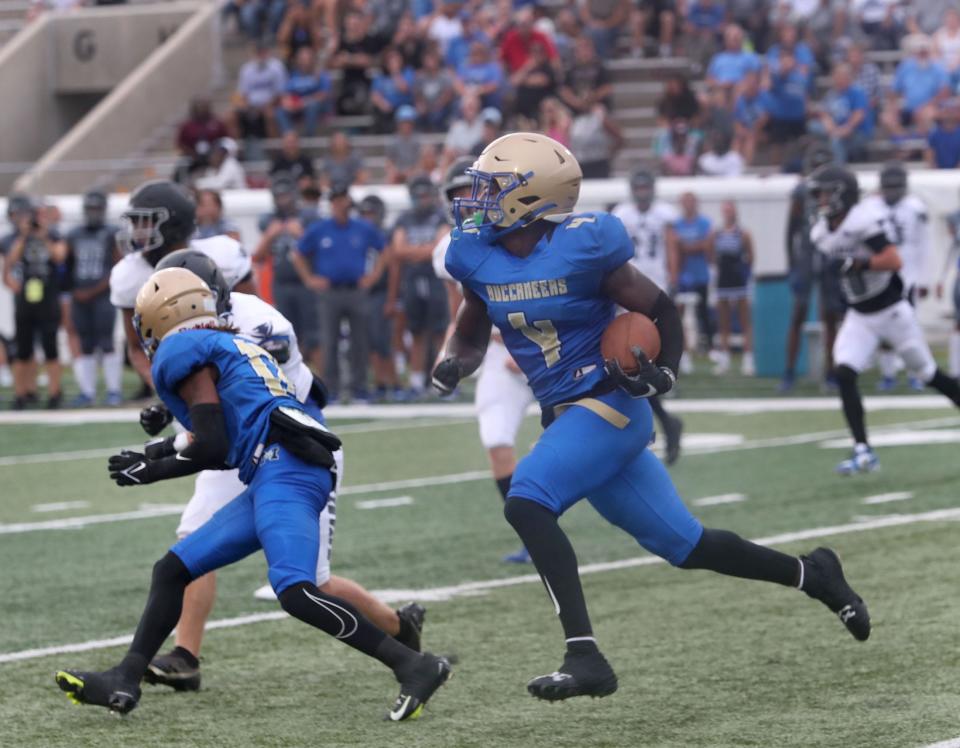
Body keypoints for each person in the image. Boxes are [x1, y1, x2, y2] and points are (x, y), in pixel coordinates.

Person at [432, 131, 870, 701]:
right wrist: (452, 365)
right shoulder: (475, 252)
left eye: (495, 186)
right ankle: (816, 575)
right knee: (686, 546)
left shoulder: (585, 245)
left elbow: (659, 308)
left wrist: (666, 368)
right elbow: (470, 332)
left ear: (532, 195)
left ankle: (583, 655)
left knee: (527, 500)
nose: (480, 196)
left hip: (609, 402)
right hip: (566, 414)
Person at [55, 267, 451, 721]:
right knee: (173, 569)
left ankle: (414, 666)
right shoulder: (232, 342)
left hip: (286, 469)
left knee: (296, 590)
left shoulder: (182, 349)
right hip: (273, 468)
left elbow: (213, 445)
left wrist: (153, 470)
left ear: (156, 320)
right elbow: (225, 437)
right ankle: (125, 677)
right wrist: (158, 454)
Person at [134, 248, 426, 689]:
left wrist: (159, 459)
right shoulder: (206, 337)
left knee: (312, 584)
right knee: (188, 545)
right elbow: (212, 400)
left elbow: (237, 394)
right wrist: (167, 420)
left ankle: (399, 629)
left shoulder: (257, 321)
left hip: (289, 446)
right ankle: (184, 654)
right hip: (238, 445)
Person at [808, 163, 960, 474]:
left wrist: (857, 264)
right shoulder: (822, 231)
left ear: (842, 195)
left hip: (891, 311)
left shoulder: (864, 219)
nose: (820, 199)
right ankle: (863, 449)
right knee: (845, 373)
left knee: (928, 373)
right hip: (860, 314)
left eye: (825, 193)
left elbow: (893, 259)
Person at [432, 157, 535, 562]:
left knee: (584, 440)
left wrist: (522, 345)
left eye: (471, 193)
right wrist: (446, 357)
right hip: (493, 348)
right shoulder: (446, 248)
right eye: (457, 196)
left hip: (544, 345)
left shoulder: (524, 231)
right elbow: (458, 311)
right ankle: (534, 533)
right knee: (496, 438)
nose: (466, 204)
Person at [109, 180, 255, 401]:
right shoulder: (128, 273)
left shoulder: (224, 255)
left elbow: (255, 319)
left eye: (145, 222)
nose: (137, 230)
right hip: (184, 372)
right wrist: (166, 389)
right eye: (135, 222)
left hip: (238, 365)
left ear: (173, 224)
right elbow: (137, 349)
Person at [610, 169, 684, 463]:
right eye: (637, 187)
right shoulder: (622, 213)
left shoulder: (664, 213)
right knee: (633, 362)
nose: (641, 193)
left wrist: (674, 278)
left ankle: (660, 424)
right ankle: (665, 423)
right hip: (630, 287)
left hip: (655, 289)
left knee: (639, 361)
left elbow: (671, 245)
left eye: (645, 187)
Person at [293, 184, 384, 402]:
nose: (339, 204)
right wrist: (309, 279)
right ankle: (331, 388)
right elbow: (298, 253)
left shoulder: (362, 228)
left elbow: (384, 249)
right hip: (330, 292)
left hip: (356, 290)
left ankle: (359, 386)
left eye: (342, 199)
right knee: (329, 340)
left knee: (360, 339)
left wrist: (373, 277)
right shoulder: (319, 229)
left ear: (348, 202)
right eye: (335, 200)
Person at [862, 163, 931, 391]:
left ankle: (915, 372)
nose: (891, 192)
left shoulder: (915, 208)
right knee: (882, 326)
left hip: (907, 276)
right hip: (880, 278)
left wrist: (924, 278)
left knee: (910, 327)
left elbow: (923, 244)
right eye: (888, 187)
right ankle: (889, 373)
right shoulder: (870, 206)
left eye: (895, 187)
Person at [388, 176, 449, 397]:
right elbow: (398, 249)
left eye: (425, 195)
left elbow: (441, 245)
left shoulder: (440, 217)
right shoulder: (404, 218)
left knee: (440, 332)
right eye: (419, 195)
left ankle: (444, 381)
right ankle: (416, 382)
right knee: (417, 333)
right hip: (412, 281)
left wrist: (414, 251)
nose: (422, 200)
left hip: (436, 280)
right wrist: (425, 250)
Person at [2, 200, 66, 409]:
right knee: (23, 348)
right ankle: (21, 393)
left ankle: (54, 393)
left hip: (47, 296)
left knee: (50, 346)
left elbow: (59, 257)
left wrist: (43, 235)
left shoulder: (52, 235)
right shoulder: (13, 238)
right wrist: (24, 236)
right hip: (25, 297)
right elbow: (10, 262)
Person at [254, 179, 322, 373]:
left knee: (314, 335)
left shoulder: (308, 216)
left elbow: (321, 249)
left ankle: (323, 381)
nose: (283, 200)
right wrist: (270, 235)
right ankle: (293, 379)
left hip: (306, 283)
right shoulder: (269, 220)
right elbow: (258, 256)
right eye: (279, 196)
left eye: (286, 195)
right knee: (286, 334)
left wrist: (301, 235)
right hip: (282, 283)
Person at [65, 190, 122, 407]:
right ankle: (87, 392)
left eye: (97, 208)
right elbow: (67, 265)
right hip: (80, 295)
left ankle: (114, 391)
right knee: (86, 343)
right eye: (90, 208)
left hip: (102, 294)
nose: (93, 213)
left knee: (106, 342)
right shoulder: (74, 234)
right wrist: (72, 290)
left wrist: (96, 289)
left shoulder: (111, 233)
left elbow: (119, 265)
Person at [356, 195, 401, 400]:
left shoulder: (385, 235)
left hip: (380, 293)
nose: (367, 218)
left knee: (384, 340)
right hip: (363, 294)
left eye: (370, 213)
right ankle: (380, 382)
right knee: (370, 341)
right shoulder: (357, 234)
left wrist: (392, 298)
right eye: (364, 214)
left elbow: (393, 267)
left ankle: (393, 382)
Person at [710, 200, 754, 376]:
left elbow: (751, 256)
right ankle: (725, 357)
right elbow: (711, 255)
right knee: (724, 321)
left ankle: (748, 359)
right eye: (725, 211)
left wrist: (745, 274)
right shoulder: (717, 234)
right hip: (723, 279)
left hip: (739, 279)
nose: (728, 214)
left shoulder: (743, 234)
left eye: (731, 211)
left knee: (744, 320)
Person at [672, 191, 713, 363]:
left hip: (700, 275)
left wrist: (685, 246)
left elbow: (707, 244)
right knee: (678, 312)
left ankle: (708, 345)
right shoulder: (676, 223)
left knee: (703, 311)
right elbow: (674, 245)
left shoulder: (704, 222)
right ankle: (682, 348)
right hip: (682, 275)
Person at [813, 63, 871, 164]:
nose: (837, 79)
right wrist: (828, 123)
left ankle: (838, 169)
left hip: (856, 132)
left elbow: (859, 115)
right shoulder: (831, 94)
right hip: (835, 128)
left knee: (836, 140)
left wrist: (844, 129)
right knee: (813, 126)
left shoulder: (857, 92)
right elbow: (823, 112)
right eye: (836, 76)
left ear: (848, 77)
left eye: (841, 76)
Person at [276, 47, 332, 137]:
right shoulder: (293, 76)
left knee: (312, 106)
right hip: (297, 106)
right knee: (280, 111)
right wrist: (290, 103)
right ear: (298, 61)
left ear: (313, 60)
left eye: (307, 59)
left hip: (317, 106)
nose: (304, 62)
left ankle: (309, 137)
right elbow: (286, 95)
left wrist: (304, 102)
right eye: (302, 59)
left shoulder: (321, 74)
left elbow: (323, 95)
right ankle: (290, 137)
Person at [558, 36, 612, 117]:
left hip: (595, 104)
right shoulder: (570, 68)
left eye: (587, 47)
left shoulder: (599, 67)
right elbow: (564, 90)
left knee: (599, 112)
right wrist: (576, 102)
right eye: (581, 48)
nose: (585, 51)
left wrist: (592, 98)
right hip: (574, 105)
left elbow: (607, 88)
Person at [370, 47, 416, 133]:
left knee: (403, 114)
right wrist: (383, 104)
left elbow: (404, 89)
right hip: (387, 109)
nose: (393, 62)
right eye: (390, 59)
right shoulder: (380, 77)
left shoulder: (407, 72)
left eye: (396, 59)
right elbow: (374, 95)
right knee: (379, 116)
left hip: (403, 106)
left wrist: (395, 72)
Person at [385, 105, 424, 185]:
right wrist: (397, 172)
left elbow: (421, 161)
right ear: (399, 124)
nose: (406, 126)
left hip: (413, 172)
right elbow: (389, 162)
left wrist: (411, 172)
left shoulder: (418, 141)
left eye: (408, 123)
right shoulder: (393, 141)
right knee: (390, 176)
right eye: (404, 123)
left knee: (420, 174)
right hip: (398, 172)